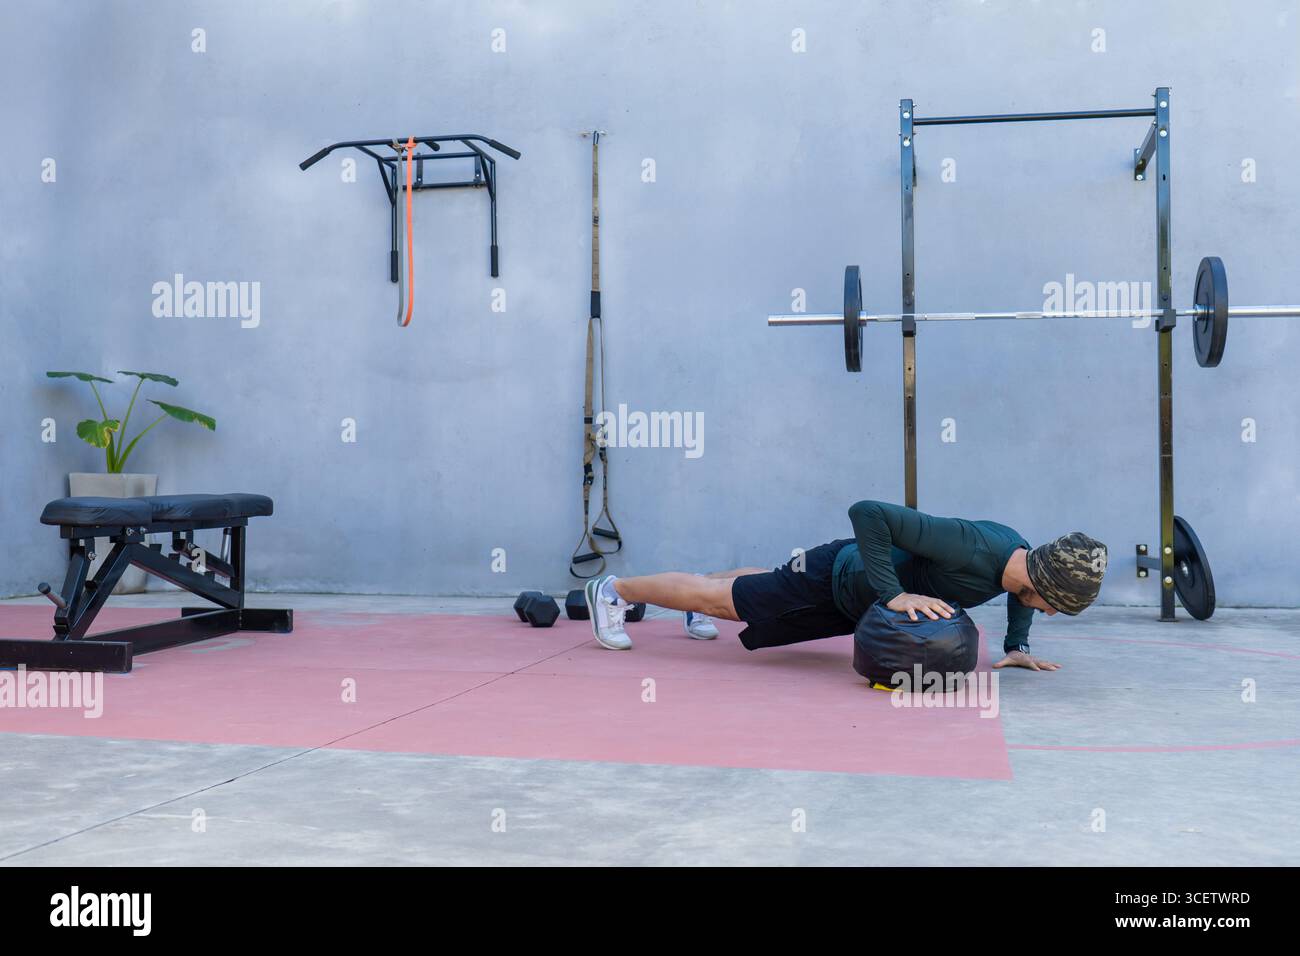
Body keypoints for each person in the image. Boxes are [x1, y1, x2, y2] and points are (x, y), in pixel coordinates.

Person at [583, 500, 1107, 672]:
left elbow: (1023, 600)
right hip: (837, 577)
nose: (1051, 612)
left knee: (746, 591)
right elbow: (869, 513)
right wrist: (895, 595)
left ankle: (688, 594)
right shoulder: (969, 546)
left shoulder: (1023, 563)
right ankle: (616, 591)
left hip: (858, 602)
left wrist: (1017, 647)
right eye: (1055, 605)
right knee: (727, 603)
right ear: (1042, 581)